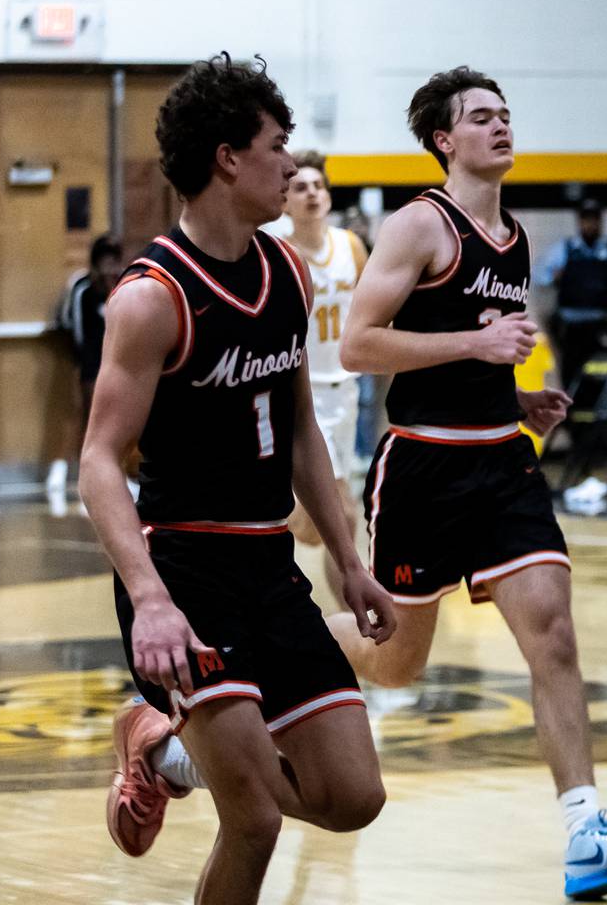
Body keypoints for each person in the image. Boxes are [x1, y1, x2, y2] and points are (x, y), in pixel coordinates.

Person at [332, 65, 607, 899]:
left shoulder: (515, 235)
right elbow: (357, 344)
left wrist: (516, 397)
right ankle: (280, 656)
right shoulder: (419, 226)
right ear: (444, 140)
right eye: (482, 117)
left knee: (552, 631)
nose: (500, 126)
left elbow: (471, 342)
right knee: (396, 664)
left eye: (506, 114)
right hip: (422, 466)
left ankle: (586, 831)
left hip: (503, 462)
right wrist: (476, 352)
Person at [82, 54, 396, 905]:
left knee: (352, 797)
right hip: (186, 573)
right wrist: (149, 599)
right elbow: (99, 463)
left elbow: (300, 431)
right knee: (253, 820)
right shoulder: (152, 298)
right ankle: (187, 748)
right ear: (228, 156)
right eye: (277, 146)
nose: (292, 165)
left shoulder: (288, 273)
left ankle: (161, 749)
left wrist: (349, 557)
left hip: (269, 569)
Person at [280, 150, 369, 600]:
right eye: (300, 186)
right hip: (303, 394)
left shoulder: (350, 246)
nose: (312, 193)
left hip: (347, 389)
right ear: (285, 201)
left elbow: (374, 312)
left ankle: (350, 623)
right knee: (343, 517)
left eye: (318, 186)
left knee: (325, 524)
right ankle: (357, 620)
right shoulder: (278, 255)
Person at [534, 196, 607, 382]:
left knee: (605, 378)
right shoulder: (565, 249)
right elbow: (539, 277)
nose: (590, 224)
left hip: (604, 325)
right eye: (585, 219)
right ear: (579, 221)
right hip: (572, 327)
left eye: (594, 219)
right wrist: (555, 277)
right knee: (573, 378)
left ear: (600, 220)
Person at [47, 233, 126, 495]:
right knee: (82, 412)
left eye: (114, 261)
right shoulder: (82, 289)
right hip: (88, 361)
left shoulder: (123, 285)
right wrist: (85, 366)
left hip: (117, 363)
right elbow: (77, 330)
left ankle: (120, 471)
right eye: (105, 262)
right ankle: (65, 469)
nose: (110, 268)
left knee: (118, 417)